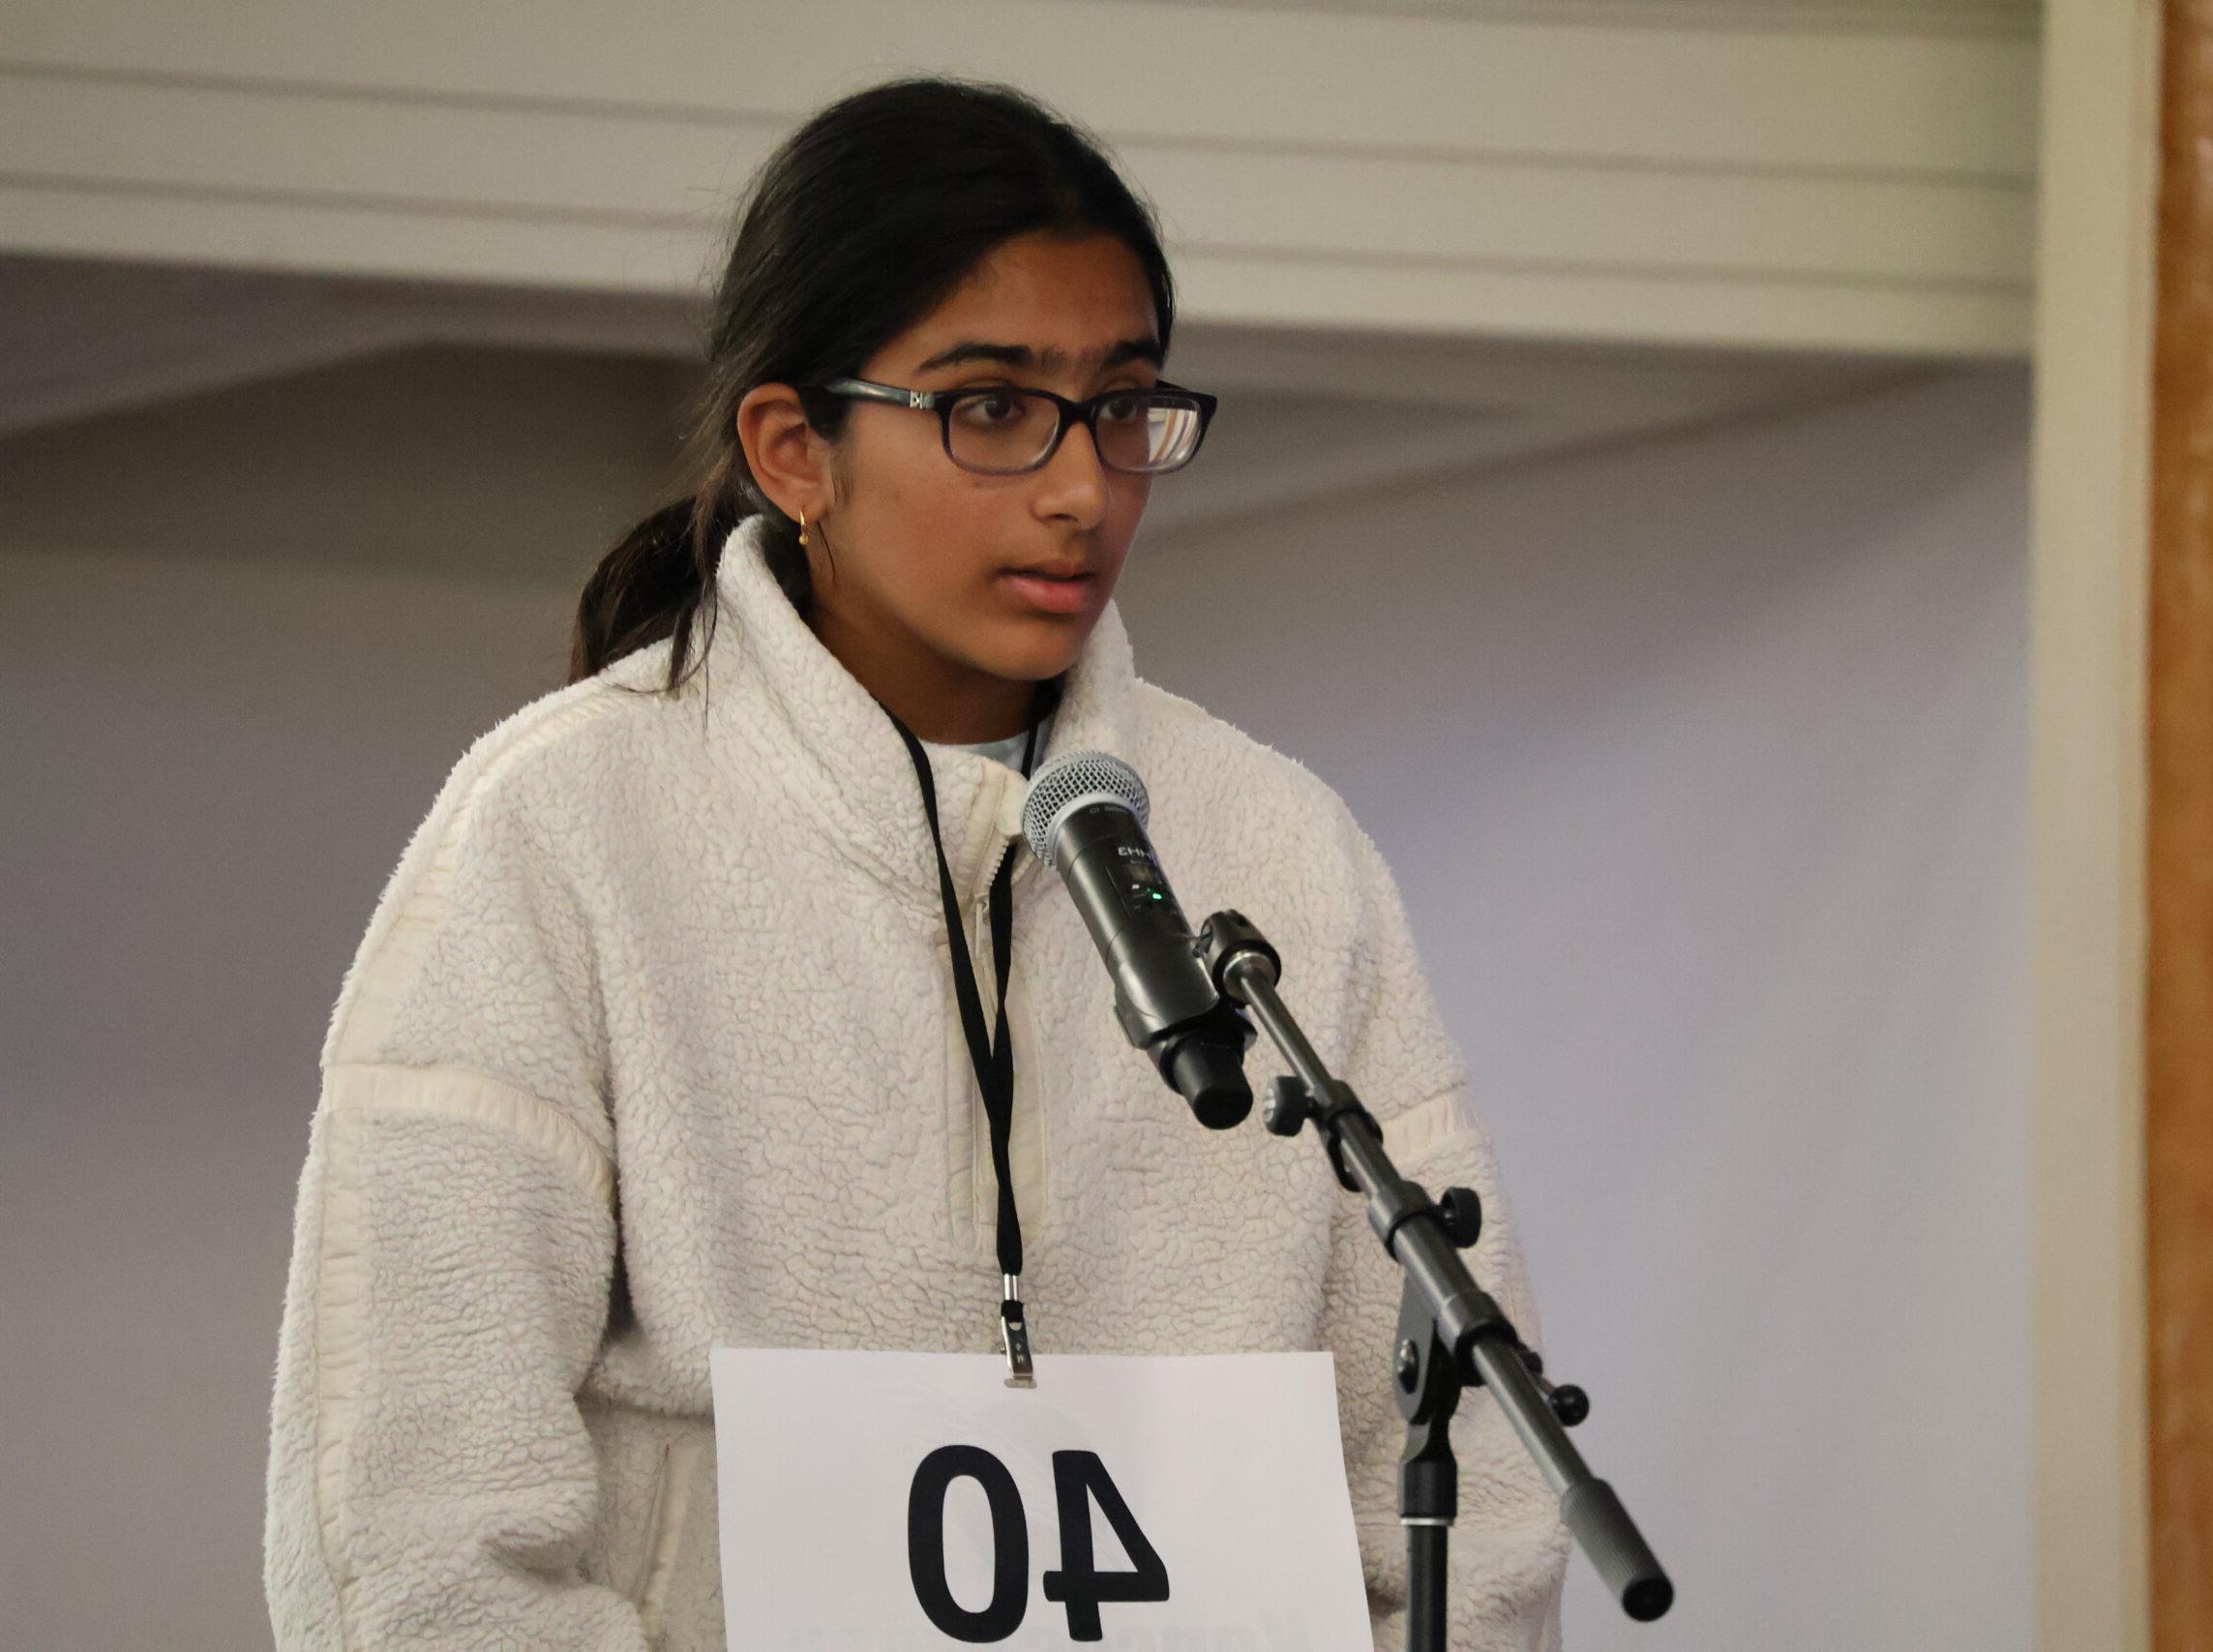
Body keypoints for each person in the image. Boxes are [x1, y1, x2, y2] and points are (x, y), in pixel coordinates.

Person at [262, 76, 1568, 1651]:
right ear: (794, 448)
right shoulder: (563, 827)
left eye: (1121, 405)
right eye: (993, 407)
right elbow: (408, 1540)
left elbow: (1469, 1512)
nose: (1085, 487)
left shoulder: (1277, 844)